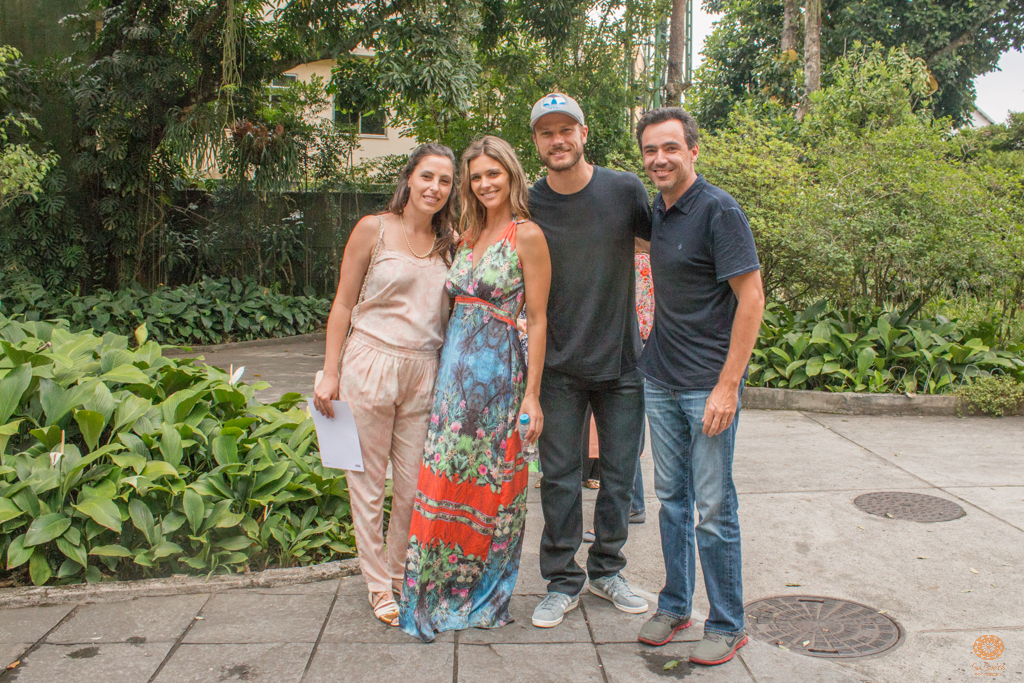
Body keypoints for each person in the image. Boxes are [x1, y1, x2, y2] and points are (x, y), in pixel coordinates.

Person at [400, 136, 552, 642]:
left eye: (494, 173)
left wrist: (532, 395)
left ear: (511, 175)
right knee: (443, 484)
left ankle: (480, 596)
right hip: (452, 380)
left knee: (492, 491)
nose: (485, 183)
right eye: (477, 176)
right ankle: (432, 592)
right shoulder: (465, 236)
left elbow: (539, 319)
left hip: (499, 382)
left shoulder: (527, 235)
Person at [633, 107, 764, 666]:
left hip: (706, 385)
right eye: (650, 150)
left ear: (692, 150)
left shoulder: (718, 210)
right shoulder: (659, 211)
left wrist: (728, 387)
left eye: (670, 148)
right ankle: (675, 605)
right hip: (660, 377)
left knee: (713, 506)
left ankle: (728, 623)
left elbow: (751, 298)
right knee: (671, 500)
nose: (659, 159)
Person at [313, 144, 458, 627]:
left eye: (444, 181)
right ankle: (378, 585)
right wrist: (330, 371)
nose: (434, 188)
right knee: (368, 485)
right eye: (427, 176)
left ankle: (399, 573)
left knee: (414, 488)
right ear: (409, 178)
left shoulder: (450, 243)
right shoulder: (373, 228)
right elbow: (342, 304)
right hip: (370, 361)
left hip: (424, 368)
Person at [527, 93, 652, 629]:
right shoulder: (528, 202)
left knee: (620, 477)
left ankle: (607, 569)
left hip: (622, 362)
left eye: (566, 130)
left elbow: (662, 245)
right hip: (556, 367)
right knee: (559, 479)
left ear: (583, 133)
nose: (557, 140)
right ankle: (561, 580)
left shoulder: (625, 190)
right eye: (546, 132)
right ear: (537, 142)